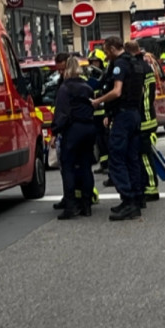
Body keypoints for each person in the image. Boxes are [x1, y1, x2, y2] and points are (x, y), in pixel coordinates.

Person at [92, 36, 146, 221]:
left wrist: (98, 101)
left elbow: (117, 91)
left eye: (107, 51)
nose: (106, 56)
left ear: (113, 49)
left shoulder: (120, 65)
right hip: (134, 114)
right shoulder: (136, 63)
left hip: (124, 117)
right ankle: (136, 199)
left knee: (117, 158)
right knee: (132, 158)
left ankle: (128, 200)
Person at [51, 57, 97, 220]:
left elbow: (62, 113)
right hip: (89, 129)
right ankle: (87, 205)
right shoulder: (87, 87)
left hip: (73, 130)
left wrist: (55, 130)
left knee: (68, 167)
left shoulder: (65, 88)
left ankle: (71, 206)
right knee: (85, 167)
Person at [130, 42, 160, 203]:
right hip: (147, 117)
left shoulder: (139, 69)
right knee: (143, 155)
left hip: (144, 119)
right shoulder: (145, 67)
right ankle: (148, 185)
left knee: (144, 156)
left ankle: (151, 187)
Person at [87, 49, 110, 175]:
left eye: (96, 62)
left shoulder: (105, 75)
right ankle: (103, 164)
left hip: (104, 113)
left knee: (106, 139)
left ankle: (109, 164)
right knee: (99, 141)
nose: (94, 64)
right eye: (92, 62)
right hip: (94, 114)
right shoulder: (90, 76)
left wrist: (98, 94)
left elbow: (106, 91)